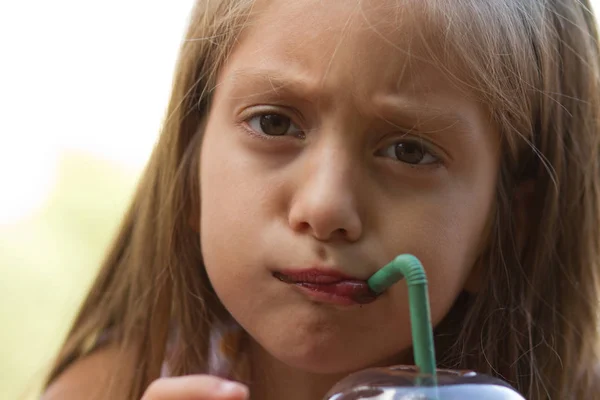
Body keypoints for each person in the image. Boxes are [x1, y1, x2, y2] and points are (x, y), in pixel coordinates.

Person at [41, 0, 600, 399]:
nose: (326, 207)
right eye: (274, 122)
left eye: (408, 151)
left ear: (505, 229)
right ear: (190, 177)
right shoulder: (106, 388)